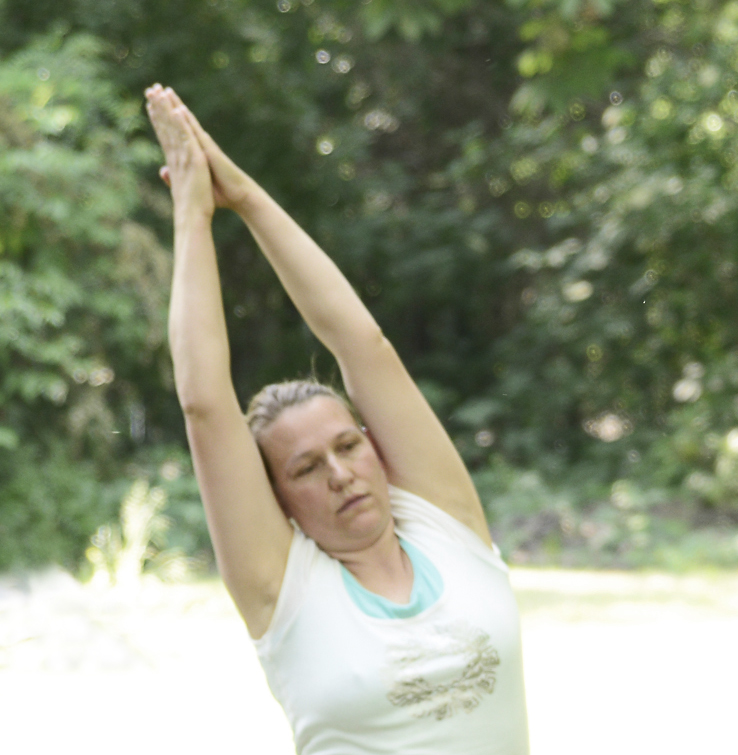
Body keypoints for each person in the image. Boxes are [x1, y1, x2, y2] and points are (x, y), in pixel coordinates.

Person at [149, 85, 526, 754]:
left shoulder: (449, 526)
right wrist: (194, 212)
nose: (340, 473)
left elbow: (363, 344)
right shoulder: (285, 589)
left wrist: (246, 195)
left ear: (374, 444)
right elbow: (205, 401)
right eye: (305, 467)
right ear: (279, 499)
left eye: (348, 445)